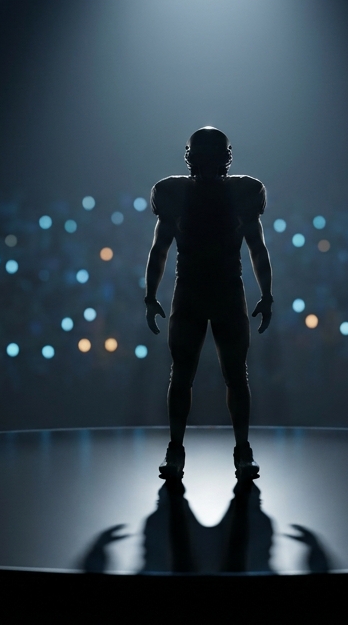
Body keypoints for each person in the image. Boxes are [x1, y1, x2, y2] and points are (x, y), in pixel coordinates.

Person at [144, 127, 273, 480]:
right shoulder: (236, 193)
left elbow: (257, 249)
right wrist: (150, 295)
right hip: (203, 291)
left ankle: (233, 450)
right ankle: (184, 449)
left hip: (216, 291)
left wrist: (151, 295)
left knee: (226, 375)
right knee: (193, 375)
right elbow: (159, 250)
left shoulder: (181, 194)